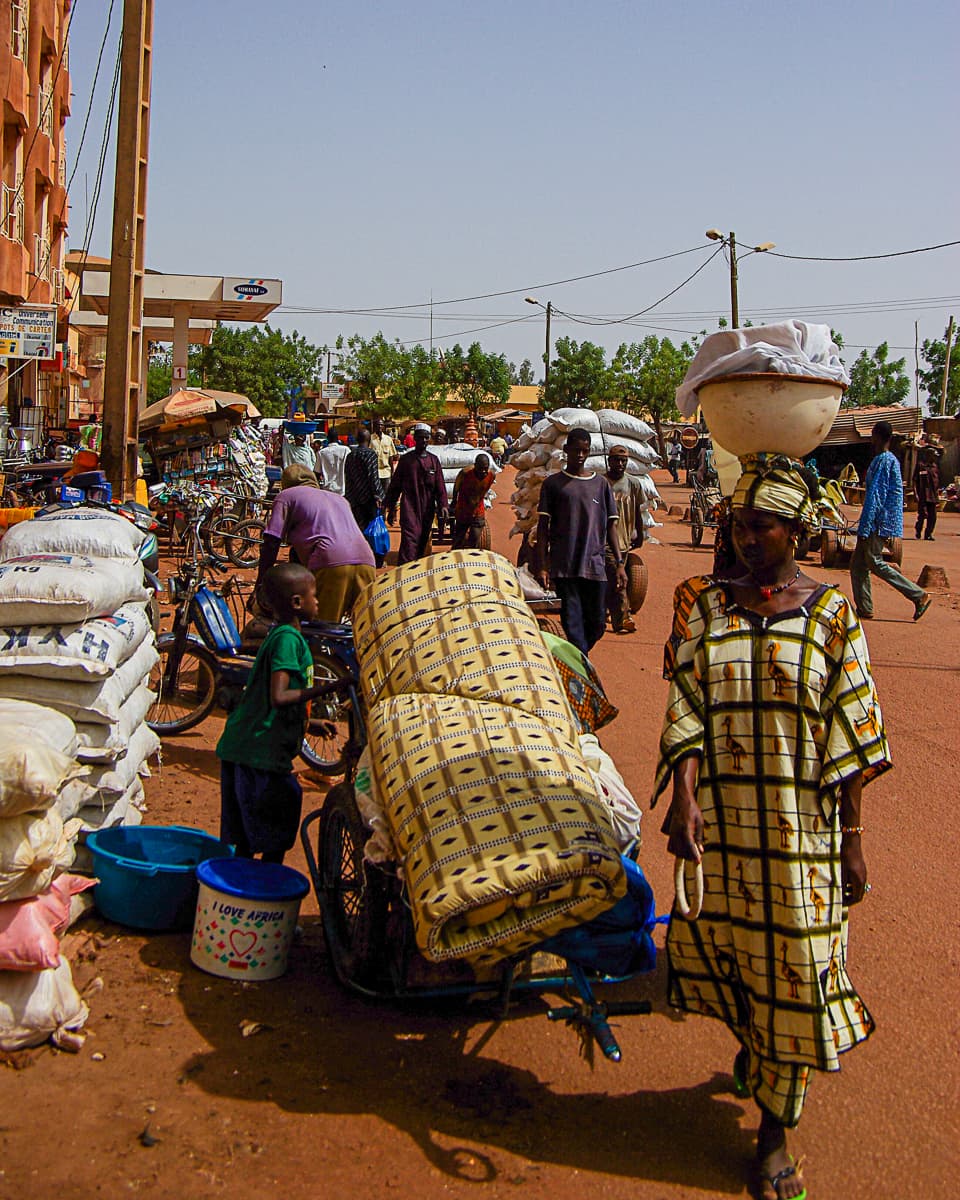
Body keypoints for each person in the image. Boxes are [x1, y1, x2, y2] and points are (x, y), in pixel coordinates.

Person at [656, 453, 890, 1200]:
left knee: (798, 974)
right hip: (726, 833)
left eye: (764, 527)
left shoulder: (831, 616)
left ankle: (773, 1133)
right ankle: (759, 1054)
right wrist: (683, 798)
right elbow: (688, 703)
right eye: (739, 525)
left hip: (801, 839)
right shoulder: (707, 608)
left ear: (797, 531)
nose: (747, 539)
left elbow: (854, 732)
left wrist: (853, 841)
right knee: (732, 960)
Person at [217, 563, 332, 863]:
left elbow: (269, 700)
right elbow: (279, 696)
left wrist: (308, 722)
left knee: (248, 839)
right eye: (314, 595)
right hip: (258, 753)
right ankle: (262, 888)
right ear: (297, 602)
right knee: (274, 832)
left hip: (248, 747)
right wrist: (329, 687)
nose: (317, 601)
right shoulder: (287, 640)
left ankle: (244, 887)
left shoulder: (283, 635)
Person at [536, 427, 626, 657]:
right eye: (576, 450)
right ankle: (581, 665)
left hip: (595, 566)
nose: (580, 455)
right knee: (573, 625)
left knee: (597, 624)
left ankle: (575, 659)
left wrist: (619, 563)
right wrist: (543, 565)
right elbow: (543, 528)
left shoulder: (601, 485)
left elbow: (611, 527)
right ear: (566, 450)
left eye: (584, 451)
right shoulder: (553, 484)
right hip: (565, 567)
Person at [254, 465, 375, 622]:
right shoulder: (339, 498)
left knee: (323, 627)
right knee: (365, 624)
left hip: (330, 562)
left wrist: (261, 584)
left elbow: (272, 541)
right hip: (366, 559)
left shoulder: (286, 496)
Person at [850, 420, 930, 621]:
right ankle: (865, 608)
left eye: (873, 435)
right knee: (858, 565)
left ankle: (918, 595)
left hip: (879, 521)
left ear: (877, 437)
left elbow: (876, 495)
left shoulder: (884, 461)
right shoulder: (884, 460)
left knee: (875, 562)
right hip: (877, 519)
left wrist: (866, 526)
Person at [382, 423, 448, 565]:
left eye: (426, 438)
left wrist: (443, 505)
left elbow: (440, 486)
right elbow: (395, 486)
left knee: (422, 541)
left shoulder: (433, 460)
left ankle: (417, 572)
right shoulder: (406, 460)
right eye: (420, 437)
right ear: (415, 438)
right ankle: (404, 571)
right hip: (410, 507)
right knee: (409, 541)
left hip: (427, 508)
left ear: (429, 439)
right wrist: (390, 507)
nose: (423, 440)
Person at [604, 446, 644, 635]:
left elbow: (637, 511)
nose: (620, 464)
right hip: (604, 541)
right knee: (618, 577)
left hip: (624, 540)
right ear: (609, 461)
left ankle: (603, 611)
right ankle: (623, 619)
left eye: (623, 461)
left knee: (612, 579)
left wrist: (640, 533)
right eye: (616, 460)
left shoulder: (633, 484)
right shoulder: (601, 483)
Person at [344, 429, 385, 562]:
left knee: (358, 528)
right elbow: (373, 476)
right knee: (372, 529)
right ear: (369, 440)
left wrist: (349, 496)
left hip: (354, 498)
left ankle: (358, 557)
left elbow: (347, 477)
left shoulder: (351, 455)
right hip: (369, 499)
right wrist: (379, 495)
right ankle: (373, 558)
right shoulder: (370, 454)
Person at [451, 453, 495, 549]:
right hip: (463, 511)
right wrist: (454, 501)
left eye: (486, 468)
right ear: (475, 466)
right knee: (459, 539)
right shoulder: (465, 473)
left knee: (474, 538)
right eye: (480, 468)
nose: (483, 471)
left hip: (478, 511)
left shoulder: (491, 476)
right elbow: (456, 487)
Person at [912, 445, 941, 541]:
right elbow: (914, 480)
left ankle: (928, 534)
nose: (935, 458)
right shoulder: (920, 466)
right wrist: (915, 494)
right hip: (923, 495)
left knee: (933, 517)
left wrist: (938, 495)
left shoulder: (935, 467)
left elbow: (937, 482)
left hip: (933, 496)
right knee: (923, 515)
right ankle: (918, 530)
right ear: (929, 455)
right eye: (933, 455)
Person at [316, 428, 350, 496]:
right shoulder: (346, 450)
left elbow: (317, 472)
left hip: (327, 491)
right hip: (342, 491)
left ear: (327, 438)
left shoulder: (321, 453)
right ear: (338, 438)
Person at [370, 416, 398, 487]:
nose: (379, 426)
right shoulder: (370, 439)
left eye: (381, 425)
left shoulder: (388, 439)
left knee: (386, 492)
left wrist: (392, 472)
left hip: (386, 473)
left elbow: (391, 457)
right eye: (378, 425)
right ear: (374, 426)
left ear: (383, 426)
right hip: (374, 473)